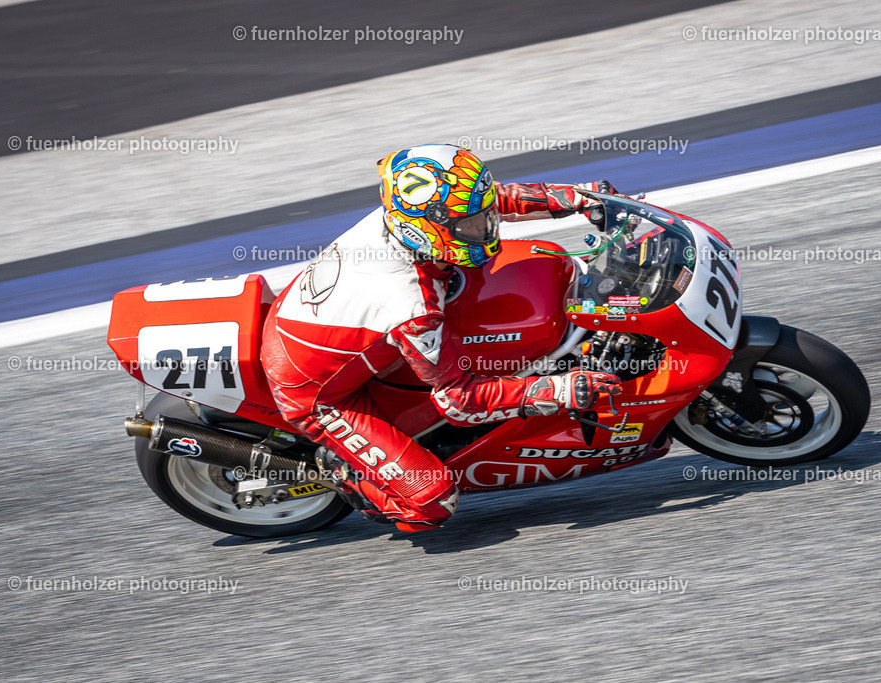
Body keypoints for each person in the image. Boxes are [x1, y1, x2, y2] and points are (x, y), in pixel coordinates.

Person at [260, 143, 621, 531]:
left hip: (320, 323)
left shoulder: (408, 213)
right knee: (434, 502)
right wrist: (556, 392)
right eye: (472, 225)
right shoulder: (411, 305)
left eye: (482, 218)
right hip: (316, 393)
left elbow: (489, 198)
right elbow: (459, 403)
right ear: (425, 229)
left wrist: (579, 198)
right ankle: (345, 473)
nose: (486, 227)